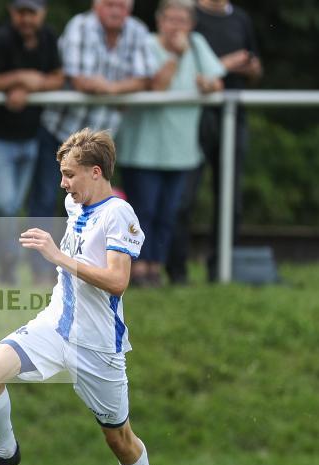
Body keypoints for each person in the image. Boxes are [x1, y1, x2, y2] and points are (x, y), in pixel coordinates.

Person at [0, 128, 167, 465]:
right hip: (54, 326)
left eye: (69, 174)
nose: (63, 183)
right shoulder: (76, 205)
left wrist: (57, 256)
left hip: (97, 345)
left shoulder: (118, 214)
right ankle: (5, 453)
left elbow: (117, 281)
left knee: (119, 438)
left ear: (95, 171)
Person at [32, 0, 156, 284]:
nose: (117, 10)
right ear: (97, 5)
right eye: (110, 4)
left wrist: (110, 88)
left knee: (97, 202)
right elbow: (78, 78)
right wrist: (120, 89)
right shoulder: (80, 26)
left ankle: (92, 266)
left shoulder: (137, 31)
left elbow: (146, 79)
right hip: (61, 132)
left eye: (123, 5)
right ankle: (40, 271)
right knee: (46, 198)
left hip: (101, 141)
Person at [115, 0, 224, 286]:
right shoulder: (146, 44)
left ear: (191, 24)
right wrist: (175, 56)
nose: (176, 26)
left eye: (182, 20)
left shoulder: (197, 44)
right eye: (171, 19)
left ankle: (155, 268)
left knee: (168, 214)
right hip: (143, 149)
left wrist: (208, 85)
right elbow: (157, 86)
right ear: (159, 21)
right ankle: (136, 270)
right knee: (142, 213)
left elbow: (217, 83)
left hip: (182, 149)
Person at [0, 0, 64, 283]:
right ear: (12, 13)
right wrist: (17, 79)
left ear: (43, 13)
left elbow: (58, 77)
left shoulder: (49, 39)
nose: (26, 18)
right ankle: (0, 264)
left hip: (28, 137)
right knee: (6, 205)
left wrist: (33, 84)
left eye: (31, 12)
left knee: (6, 208)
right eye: (20, 12)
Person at [166, 0, 262, 283]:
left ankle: (221, 270)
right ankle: (176, 270)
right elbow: (189, 71)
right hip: (192, 117)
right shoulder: (187, 16)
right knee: (183, 196)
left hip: (233, 117)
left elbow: (257, 71)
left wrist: (249, 67)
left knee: (230, 197)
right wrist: (227, 64)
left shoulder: (241, 18)